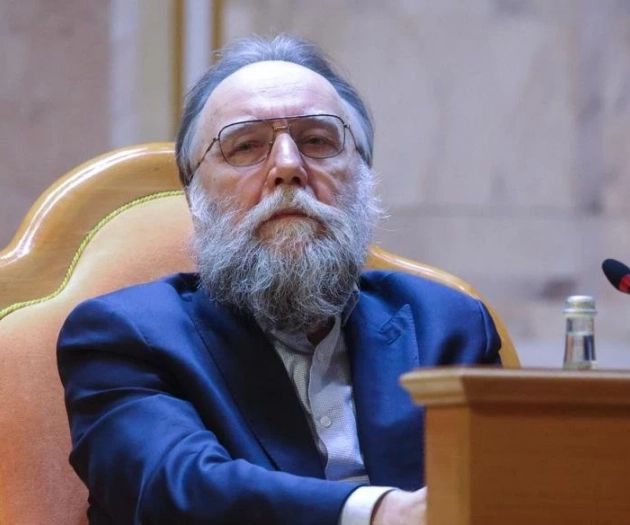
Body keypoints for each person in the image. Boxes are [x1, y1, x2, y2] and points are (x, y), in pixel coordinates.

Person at [58, 34, 501, 525]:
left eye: (317, 141)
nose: (288, 167)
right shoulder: (123, 338)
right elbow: (176, 491)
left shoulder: (448, 325)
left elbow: (516, 488)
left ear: (362, 180)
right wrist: (380, 513)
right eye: (246, 146)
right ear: (194, 199)